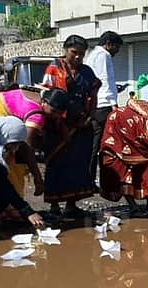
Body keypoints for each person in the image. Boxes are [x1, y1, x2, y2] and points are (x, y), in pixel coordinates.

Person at [41, 34, 102, 216]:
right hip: (57, 126)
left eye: (81, 54)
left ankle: (71, 204)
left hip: (80, 126)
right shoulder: (54, 68)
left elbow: (93, 94)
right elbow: (46, 95)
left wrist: (90, 116)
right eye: (74, 52)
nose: (78, 57)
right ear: (66, 50)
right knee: (56, 163)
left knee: (77, 164)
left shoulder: (87, 72)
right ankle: (54, 205)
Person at [0, 88, 68, 196]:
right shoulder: (36, 116)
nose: (55, 116)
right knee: (11, 164)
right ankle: (10, 202)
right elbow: (26, 148)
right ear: (44, 102)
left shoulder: (40, 93)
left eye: (59, 114)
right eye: (53, 111)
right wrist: (38, 178)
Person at [0, 114, 45, 228]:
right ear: (6, 136)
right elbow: (0, 181)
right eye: (13, 144)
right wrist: (27, 211)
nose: (15, 148)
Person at [84, 31, 123, 186]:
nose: (116, 52)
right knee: (104, 144)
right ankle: (97, 179)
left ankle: (90, 178)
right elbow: (105, 80)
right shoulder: (103, 55)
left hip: (95, 105)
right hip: (103, 106)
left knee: (94, 144)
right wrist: (113, 103)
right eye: (116, 48)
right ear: (109, 44)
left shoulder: (92, 55)